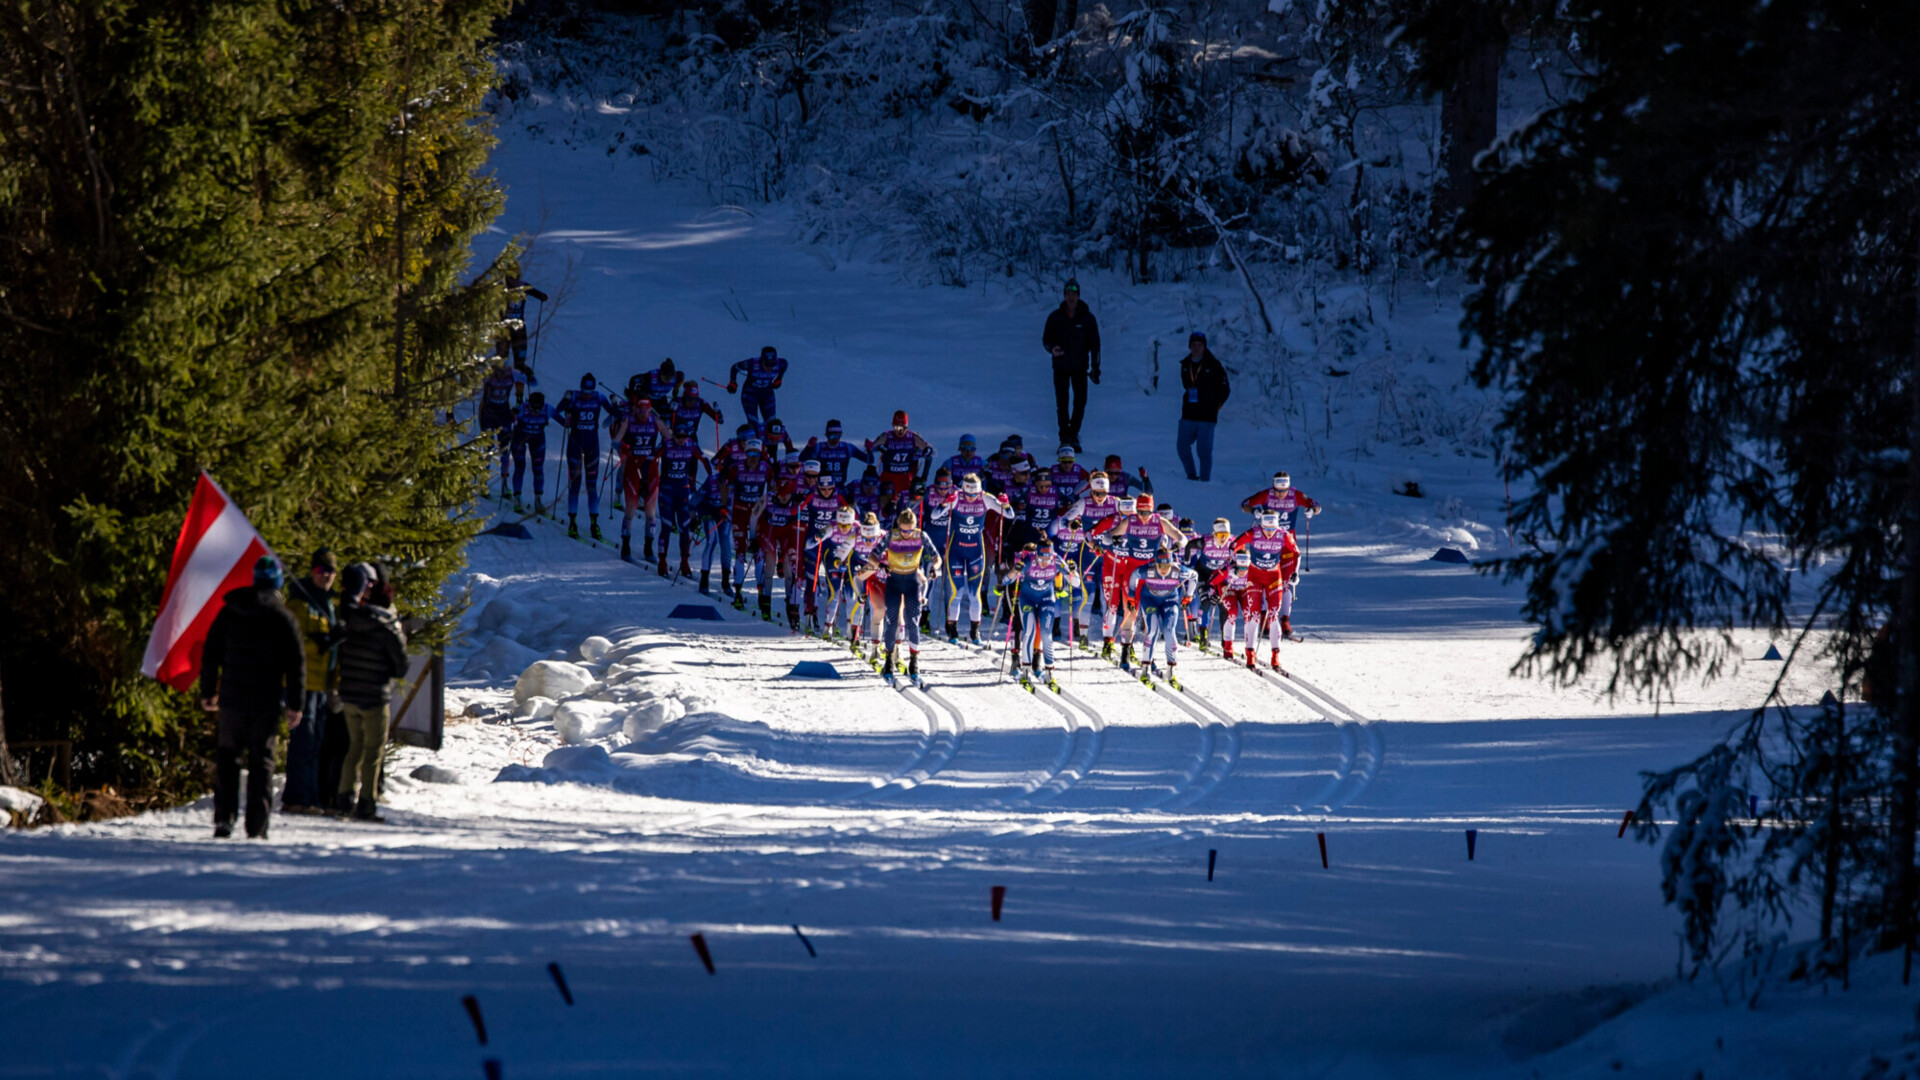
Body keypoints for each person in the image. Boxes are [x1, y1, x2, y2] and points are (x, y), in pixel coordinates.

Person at [199, 556, 305, 839]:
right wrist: (296, 704)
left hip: (232, 699)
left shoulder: (230, 611)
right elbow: (296, 664)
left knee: (228, 759)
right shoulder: (282, 617)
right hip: (265, 702)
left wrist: (208, 691)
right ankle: (256, 826)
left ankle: (224, 819)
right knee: (262, 762)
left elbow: (211, 652)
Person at [333, 562, 410, 821]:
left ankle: (343, 800)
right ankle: (366, 803)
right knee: (373, 752)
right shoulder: (388, 628)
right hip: (375, 697)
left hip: (350, 695)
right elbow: (401, 668)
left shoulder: (351, 620)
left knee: (353, 747)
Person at [281, 550, 338, 814]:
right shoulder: (300, 603)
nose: (325, 576)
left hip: (321, 684)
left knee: (315, 743)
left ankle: (311, 797)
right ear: (312, 572)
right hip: (302, 683)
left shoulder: (327, 603)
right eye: (320, 571)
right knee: (303, 741)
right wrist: (323, 644)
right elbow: (293, 645)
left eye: (329, 571)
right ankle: (297, 798)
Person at [935, 472, 1015, 644]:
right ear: (963, 489)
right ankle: (953, 630)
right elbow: (935, 515)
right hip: (956, 551)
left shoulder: (985, 498)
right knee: (957, 592)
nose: (971, 498)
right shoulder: (957, 497)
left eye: (975, 494)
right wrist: (945, 502)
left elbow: (1009, 515)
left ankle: (975, 631)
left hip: (976, 552)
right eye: (968, 494)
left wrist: (1005, 503)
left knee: (974, 593)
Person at [873, 507, 942, 685]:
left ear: (914, 526)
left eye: (909, 530)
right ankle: (888, 661)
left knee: (913, 622)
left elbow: (937, 557)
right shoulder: (891, 535)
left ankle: (914, 663)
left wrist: (935, 568)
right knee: (892, 621)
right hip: (894, 582)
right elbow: (873, 556)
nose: (906, 534)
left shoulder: (921, 536)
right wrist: (881, 565)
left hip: (912, 582)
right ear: (898, 526)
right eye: (903, 530)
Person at [1232, 510, 1303, 670]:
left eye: (1272, 529)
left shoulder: (1282, 535)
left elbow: (1296, 552)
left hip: (1273, 577)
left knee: (1273, 615)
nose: (1269, 533)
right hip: (1255, 577)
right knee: (1255, 615)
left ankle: (1275, 655)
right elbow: (1233, 546)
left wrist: (1295, 573)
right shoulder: (1253, 533)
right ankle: (1250, 653)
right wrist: (1234, 566)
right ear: (1261, 525)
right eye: (1266, 529)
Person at [1006, 537, 1081, 687]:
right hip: (1028, 599)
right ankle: (1026, 670)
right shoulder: (1029, 560)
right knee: (1029, 631)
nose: (1044, 563)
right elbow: (1006, 581)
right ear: (1036, 555)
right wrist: (1015, 570)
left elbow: (1076, 583)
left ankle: (1049, 671)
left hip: (1047, 600)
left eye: (1048, 559)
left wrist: (1074, 572)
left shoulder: (1056, 560)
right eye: (1041, 559)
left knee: (1047, 633)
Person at [556, 373, 617, 540]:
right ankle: (572, 522)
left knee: (592, 486)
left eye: (589, 391)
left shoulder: (599, 397)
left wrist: (614, 404)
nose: (587, 395)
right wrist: (566, 400)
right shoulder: (575, 396)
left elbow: (615, 414)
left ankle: (594, 523)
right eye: (585, 391)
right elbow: (558, 410)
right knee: (574, 485)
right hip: (575, 443)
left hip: (592, 444)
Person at [1042, 278, 1100, 451]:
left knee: (1080, 402)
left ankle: (1074, 434)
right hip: (1060, 367)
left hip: (1080, 367)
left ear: (1078, 296)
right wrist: (1053, 349)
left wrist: (1096, 367)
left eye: (1074, 294)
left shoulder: (1087, 318)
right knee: (1062, 402)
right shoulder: (1055, 317)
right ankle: (1064, 436)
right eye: (1068, 294)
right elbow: (1046, 340)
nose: (1071, 297)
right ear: (1064, 296)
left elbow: (1095, 344)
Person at [612, 392, 669, 562]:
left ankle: (648, 548)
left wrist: (660, 449)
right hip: (632, 466)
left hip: (650, 468)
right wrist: (623, 446)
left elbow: (670, 438)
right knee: (630, 508)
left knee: (651, 512)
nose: (643, 414)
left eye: (646, 410)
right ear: (636, 409)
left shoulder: (656, 421)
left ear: (650, 410)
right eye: (640, 410)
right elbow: (615, 441)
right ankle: (626, 546)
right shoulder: (629, 421)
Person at [1127, 544, 1195, 684]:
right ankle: (1146, 667)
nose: (1164, 570)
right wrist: (1131, 596)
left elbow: (1194, 576)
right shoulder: (1148, 569)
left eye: (1167, 566)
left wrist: (1188, 596)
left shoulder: (1178, 570)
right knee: (1153, 631)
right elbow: (1134, 576)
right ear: (1155, 563)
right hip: (1150, 600)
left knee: (1169, 632)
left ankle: (1171, 669)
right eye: (1160, 566)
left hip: (1170, 600)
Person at [1176, 331, 1232, 481]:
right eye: (1193, 345)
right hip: (1188, 413)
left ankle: (1205, 482)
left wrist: (1216, 405)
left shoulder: (1213, 365)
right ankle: (1191, 476)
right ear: (1189, 346)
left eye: (1199, 345)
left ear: (1204, 347)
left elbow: (1225, 388)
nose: (1196, 348)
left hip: (1207, 416)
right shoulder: (1185, 365)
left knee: (1204, 451)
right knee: (1182, 447)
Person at [655, 429, 709, 578]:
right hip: (666, 491)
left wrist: (712, 478)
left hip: (683, 491)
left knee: (685, 528)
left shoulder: (691, 444)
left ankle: (684, 562)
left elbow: (704, 459)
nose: (681, 439)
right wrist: (648, 480)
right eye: (678, 436)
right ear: (673, 435)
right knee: (666, 526)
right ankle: (662, 561)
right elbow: (651, 458)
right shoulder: (666, 444)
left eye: (683, 436)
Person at [477, 359, 524, 499]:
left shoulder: (512, 374)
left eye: (504, 372)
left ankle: (504, 483)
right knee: (488, 447)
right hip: (488, 413)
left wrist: (519, 403)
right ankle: (483, 482)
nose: (502, 375)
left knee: (504, 449)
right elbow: (475, 381)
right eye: (499, 371)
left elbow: (529, 381)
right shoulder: (489, 375)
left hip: (503, 414)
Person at [867, 410, 933, 499]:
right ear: (893, 425)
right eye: (897, 428)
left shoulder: (912, 437)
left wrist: (927, 451)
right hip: (887, 477)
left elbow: (928, 450)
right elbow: (872, 447)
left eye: (904, 428)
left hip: (905, 479)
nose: (900, 431)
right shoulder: (887, 436)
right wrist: (874, 447)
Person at [510, 390, 557, 514]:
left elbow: (565, 423)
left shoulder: (548, 409)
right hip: (520, 438)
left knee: (538, 469)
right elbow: (509, 418)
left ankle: (538, 500)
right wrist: (513, 414)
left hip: (537, 440)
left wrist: (569, 413)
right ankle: (517, 498)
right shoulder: (522, 409)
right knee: (520, 467)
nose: (536, 412)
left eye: (538, 409)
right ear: (528, 404)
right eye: (533, 409)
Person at [501, 268, 549, 389]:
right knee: (502, 363)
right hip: (504, 330)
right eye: (511, 278)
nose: (514, 281)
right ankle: (502, 391)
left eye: (516, 277)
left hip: (519, 329)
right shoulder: (500, 288)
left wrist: (541, 296)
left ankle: (519, 399)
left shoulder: (523, 286)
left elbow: (538, 294)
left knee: (520, 363)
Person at [1211, 549, 1263, 662]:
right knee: (1232, 613)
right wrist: (1213, 594)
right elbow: (1213, 580)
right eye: (1240, 567)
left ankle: (1250, 648)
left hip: (1244, 589)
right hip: (1228, 588)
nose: (1242, 571)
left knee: (1248, 614)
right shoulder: (1228, 567)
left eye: (1245, 568)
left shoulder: (1254, 568)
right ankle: (1228, 647)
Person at [727, 346, 789, 429]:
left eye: (772, 364)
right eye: (767, 364)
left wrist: (779, 379)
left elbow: (784, 366)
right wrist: (733, 383)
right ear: (762, 360)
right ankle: (754, 440)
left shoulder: (781, 363)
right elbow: (735, 367)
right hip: (750, 394)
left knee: (772, 424)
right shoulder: (752, 363)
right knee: (753, 423)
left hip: (767, 394)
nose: (769, 368)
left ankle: (769, 441)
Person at [1241, 470, 1322, 532]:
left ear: (1288, 487)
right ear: (1273, 487)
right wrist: (1253, 511)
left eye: (1284, 490)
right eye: (1277, 490)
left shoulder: (1296, 495)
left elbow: (1317, 506)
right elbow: (1244, 504)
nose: (1280, 494)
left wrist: (1312, 510)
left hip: (1289, 537)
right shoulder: (1266, 494)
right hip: (1269, 537)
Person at [801, 419, 872, 486]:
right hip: (822, 488)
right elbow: (802, 460)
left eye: (838, 436)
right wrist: (808, 448)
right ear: (826, 435)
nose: (835, 439)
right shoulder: (819, 447)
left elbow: (869, 461)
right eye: (832, 436)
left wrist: (869, 450)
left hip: (840, 487)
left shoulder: (848, 448)